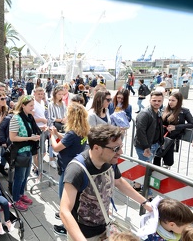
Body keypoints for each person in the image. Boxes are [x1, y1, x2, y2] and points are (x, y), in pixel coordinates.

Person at [60, 124, 153, 241]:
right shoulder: (76, 170)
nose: (120, 152)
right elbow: (64, 211)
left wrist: (144, 202)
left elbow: (119, 181)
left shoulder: (109, 160)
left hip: (105, 227)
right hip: (83, 234)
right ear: (97, 148)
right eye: (115, 149)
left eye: (120, 146)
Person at [50, 103, 89, 236]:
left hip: (68, 169)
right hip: (76, 167)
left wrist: (51, 136)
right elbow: (67, 141)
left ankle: (66, 227)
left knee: (65, 200)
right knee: (74, 199)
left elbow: (56, 148)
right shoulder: (82, 130)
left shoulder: (72, 133)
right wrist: (57, 133)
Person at [9, 95, 41, 211]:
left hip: (28, 150)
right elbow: (12, 138)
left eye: (33, 105)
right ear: (23, 106)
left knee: (26, 175)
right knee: (19, 177)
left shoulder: (29, 117)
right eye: (31, 105)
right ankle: (15, 199)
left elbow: (34, 131)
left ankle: (21, 195)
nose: (33, 108)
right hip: (20, 151)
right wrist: (29, 138)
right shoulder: (16, 118)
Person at [133, 91, 164, 193]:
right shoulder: (145, 113)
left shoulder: (158, 112)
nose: (157, 103)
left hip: (153, 144)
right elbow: (140, 131)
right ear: (150, 100)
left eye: (159, 101)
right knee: (147, 169)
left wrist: (160, 142)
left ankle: (137, 185)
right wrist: (146, 147)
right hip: (144, 146)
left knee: (143, 167)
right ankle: (148, 193)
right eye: (154, 100)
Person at [153, 92, 193, 168]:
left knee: (168, 161)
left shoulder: (184, 111)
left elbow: (191, 123)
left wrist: (176, 127)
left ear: (179, 101)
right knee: (156, 157)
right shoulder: (165, 108)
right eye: (169, 100)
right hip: (160, 137)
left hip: (172, 139)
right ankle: (155, 176)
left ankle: (164, 174)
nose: (170, 102)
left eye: (173, 100)